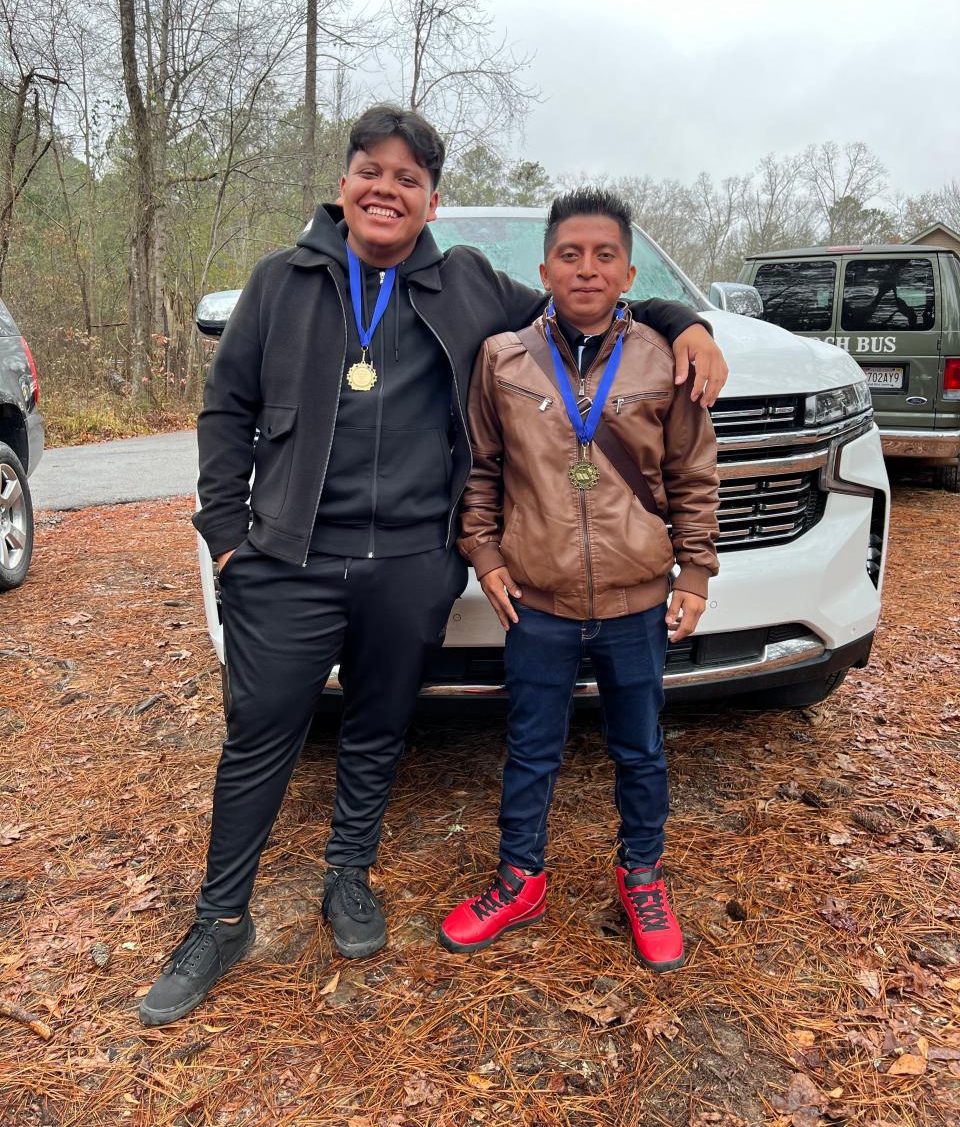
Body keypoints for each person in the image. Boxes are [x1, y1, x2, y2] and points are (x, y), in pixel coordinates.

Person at [139, 107, 728, 1025]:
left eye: (408, 179)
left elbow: (582, 301)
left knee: (377, 729)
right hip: (288, 560)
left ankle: (348, 877)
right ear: (343, 185)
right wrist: (227, 537)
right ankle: (221, 919)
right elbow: (226, 413)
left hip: (412, 563)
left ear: (430, 201)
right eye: (371, 171)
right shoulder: (279, 283)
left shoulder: (466, 287)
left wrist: (682, 319)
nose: (387, 189)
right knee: (260, 739)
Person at [439, 187, 720, 972]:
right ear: (544, 268)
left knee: (641, 748)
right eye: (570, 254)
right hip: (539, 600)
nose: (586, 269)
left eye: (604, 256)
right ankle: (520, 877)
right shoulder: (503, 358)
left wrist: (694, 569)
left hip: (636, 600)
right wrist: (487, 557)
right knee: (532, 747)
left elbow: (694, 473)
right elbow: (482, 472)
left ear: (628, 272)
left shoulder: (669, 359)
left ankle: (642, 878)